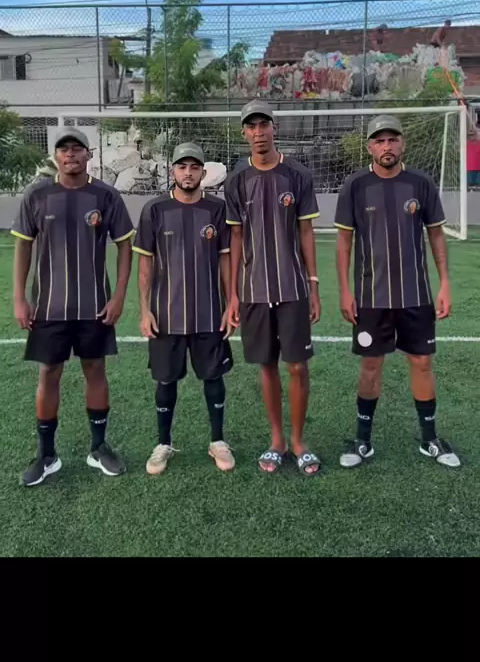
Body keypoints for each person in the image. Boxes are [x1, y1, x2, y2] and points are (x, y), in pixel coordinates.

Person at [334, 114, 460, 469]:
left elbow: (436, 234)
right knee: (371, 365)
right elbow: (344, 242)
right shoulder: (355, 185)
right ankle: (362, 441)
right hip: (371, 297)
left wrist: (445, 283)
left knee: (421, 362)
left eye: (392, 139)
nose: (386, 146)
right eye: (379, 140)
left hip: (415, 295)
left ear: (402, 143)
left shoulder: (420, 183)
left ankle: (430, 439)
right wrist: (344, 290)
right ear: (370, 147)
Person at [11, 128, 135, 487]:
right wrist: (19, 298)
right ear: (56, 156)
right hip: (48, 308)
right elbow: (23, 246)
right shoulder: (37, 194)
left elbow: (125, 246)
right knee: (49, 373)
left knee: (95, 369)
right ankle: (47, 455)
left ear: (88, 154)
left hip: (94, 306)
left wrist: (118, 296)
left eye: (77, 148)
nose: (70, 154)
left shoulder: (106, 196)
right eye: (63, 149)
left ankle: (98, 447)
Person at [225, 100, 322, 476]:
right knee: (266, 366)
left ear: (274, 128)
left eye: (263, 124)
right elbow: (235, 238)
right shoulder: (236, 180)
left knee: (296, 365)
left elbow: (306, 231)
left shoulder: (297, 174)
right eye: (251, 126)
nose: (258, 132)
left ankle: (299, 442)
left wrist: (313, 285)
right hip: (254, 291)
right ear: (244, 133)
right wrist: (233, 294)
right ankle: (277, 440)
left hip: (293, 288)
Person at [133, 142, 235, 475]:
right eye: (182, 166)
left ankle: (218, 441)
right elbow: (145, 265)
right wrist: (144, 310)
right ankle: (163, 444)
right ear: (172, 171)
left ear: (203, 173)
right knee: (166, 381)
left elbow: (225, 261)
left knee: (213, 377)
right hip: (165, 315)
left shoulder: (217, 209)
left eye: (194, 167)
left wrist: (230, 303)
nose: (188, 173)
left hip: (209, 313)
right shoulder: (154, 209)